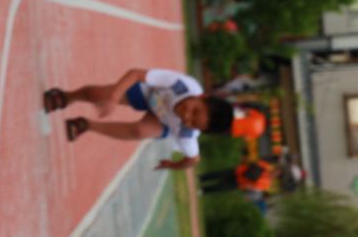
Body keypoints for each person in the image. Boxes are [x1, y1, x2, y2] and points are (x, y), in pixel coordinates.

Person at [43, 67, 234, 170]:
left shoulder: (186, 134)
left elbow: (193, 160)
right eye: (195, 111)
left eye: (192, 123)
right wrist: (113, 98)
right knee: (96, 94)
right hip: (149, 93)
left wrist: (173, 165)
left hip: (161, 119)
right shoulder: (180, 85)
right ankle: (67, 96)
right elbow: (135, 74)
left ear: (197, 130)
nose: (186, 116)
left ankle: (86, 125)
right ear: (201, 96)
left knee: (140, 131)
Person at [199, 159, 274, 195]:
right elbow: (254, 162)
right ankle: (202, 178)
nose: (275, 173)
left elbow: (255, 188)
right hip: (239, 171)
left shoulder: (267, 183)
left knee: (220, 187)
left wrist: (248, 186)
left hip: (240, 183)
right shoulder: (266, 166)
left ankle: (204, 190)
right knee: (219, 174)